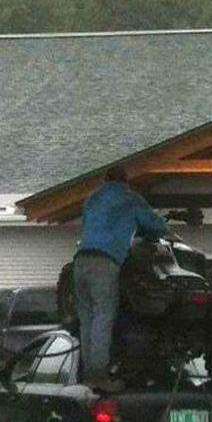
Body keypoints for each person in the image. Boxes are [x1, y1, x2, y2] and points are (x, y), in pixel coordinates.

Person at [73, 165, 169, 391]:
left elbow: (88, 226)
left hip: (80, 261)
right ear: (126, 181)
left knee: (87, 319)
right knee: (103, 317)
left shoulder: (92, 199)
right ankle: (99, 376)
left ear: (105, 181)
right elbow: (156, 226)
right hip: (105, 262)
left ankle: (88, 374)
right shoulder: (130, 198)